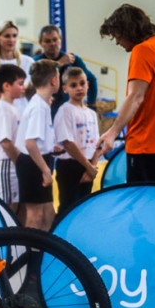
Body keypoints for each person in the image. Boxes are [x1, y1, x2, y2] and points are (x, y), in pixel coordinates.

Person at [96, 4, 155, 184]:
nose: (117, 42)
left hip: (146, 146)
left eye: (117, 36)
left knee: (143, 205)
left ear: (128, 30)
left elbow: (136, 96)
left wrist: (112, 132)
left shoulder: (143, 50)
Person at [17, 59, 61, 230]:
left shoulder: (42, 103)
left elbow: (37, 140)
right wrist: (45, 170)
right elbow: (30, 143)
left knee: (49, 213)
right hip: (33, 163)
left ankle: (46, 251)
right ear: (54, 80)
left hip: (40, 159)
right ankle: (29, 254)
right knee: (35, 216)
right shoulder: (38, 107)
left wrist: (50, 147)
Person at [54, 67, 100, 213]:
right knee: (69, 206)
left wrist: (92, 167)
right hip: (70, 165)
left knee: (84, 206)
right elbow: (67, 143)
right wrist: (88, 166)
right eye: (73, 85)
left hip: (88, 166)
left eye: (81, 84)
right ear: (65, 89)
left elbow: (97, 144)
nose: (79, 88)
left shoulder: (92, 113)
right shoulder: (65, 110)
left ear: (87, 84)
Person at [0, 65, 27, 216]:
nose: (23, 88)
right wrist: (21, 163)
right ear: (6, 86)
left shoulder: (12, 107)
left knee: (15, 206)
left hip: (12, 164)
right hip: (6, 163)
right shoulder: (3, 108)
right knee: (7, 208)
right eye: (20, 84)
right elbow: (5, 141)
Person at [34, 24, 99, 114]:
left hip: (69, 113)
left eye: (55, 39)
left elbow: (91, 80)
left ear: (61, 39)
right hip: (44, 112)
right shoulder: (36, 62)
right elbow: (43, 80)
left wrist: (91, 105)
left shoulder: (73, 60)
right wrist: (59, 63)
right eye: (48, 41)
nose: (52, 44)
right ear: (40, 43)